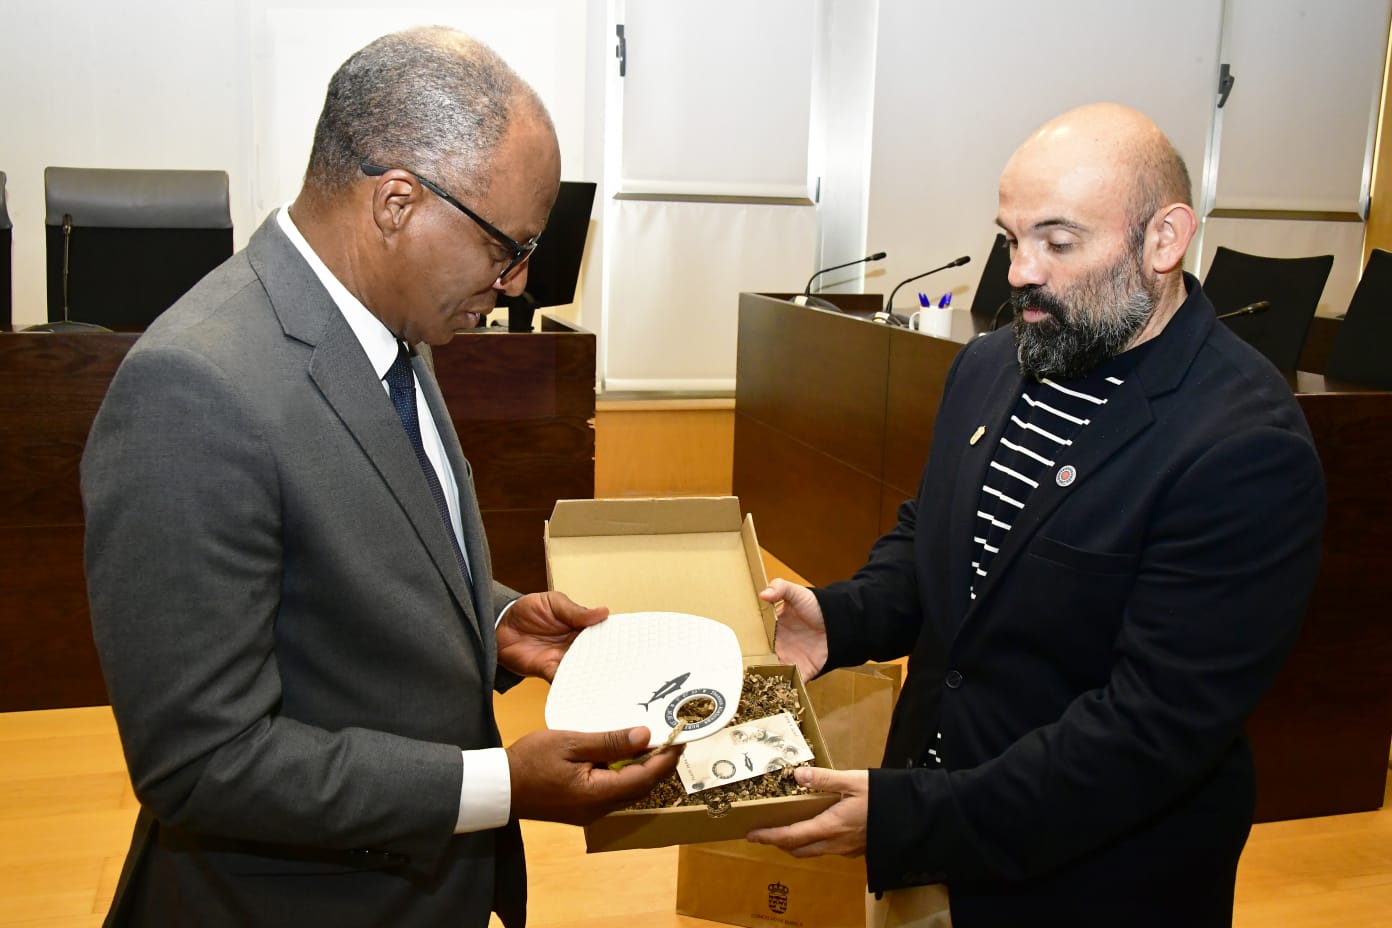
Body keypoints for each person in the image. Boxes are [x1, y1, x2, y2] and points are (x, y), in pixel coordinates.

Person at [81, 27, 678, 927]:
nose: (516, 284)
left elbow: (360, 551)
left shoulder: (390, 324)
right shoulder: (193, 386)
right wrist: (499, 786)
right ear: (397, 203)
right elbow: (201, 763)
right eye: (505, 248)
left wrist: (499, 618)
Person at [747, 102, 1326, 927]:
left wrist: (910, 818)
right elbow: (934, 540)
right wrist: (839, 620)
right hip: (933, 833)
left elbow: (1146, 736)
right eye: (1011, 238)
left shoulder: (1244, 447)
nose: (1020, 270)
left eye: (1057, 242)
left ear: (1164, 240)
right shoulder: (992, 365)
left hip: (1091, 882)